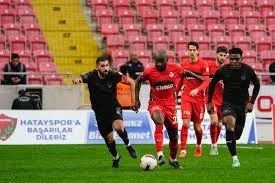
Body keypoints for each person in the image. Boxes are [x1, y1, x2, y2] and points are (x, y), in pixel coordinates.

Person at [72, 56, 138, 168]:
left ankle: (129, 145)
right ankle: (116, 157)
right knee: (109, 139)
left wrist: (133, 101)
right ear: (97, 67)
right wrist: (77, 80)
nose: (105, 68)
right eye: (102, 66)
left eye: (107, 65)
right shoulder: (91, 76)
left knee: (119, 127)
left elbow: (131, 82)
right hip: (100, 113)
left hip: (113, 107)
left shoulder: (114, 75)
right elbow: (82, 78)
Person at [207, 47, 260, 167]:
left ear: (241, 59)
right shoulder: (223, 70)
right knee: (229, 123)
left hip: (242, 105)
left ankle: (231, 141)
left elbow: (257, 85)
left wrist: (251, 102)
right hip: (228, 103)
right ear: (228, 58)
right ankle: (235, 159)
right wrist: (209, 102)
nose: (234, 62)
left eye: (237, 59)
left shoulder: (248, 70)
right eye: (231, 59)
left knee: (237, 135)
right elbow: (212, 84)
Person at [134, 50, 183, 169]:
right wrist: (136, 100)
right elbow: (138, 81)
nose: (159, 64)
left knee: (174, 137)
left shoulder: (175, 68)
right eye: (157, 62)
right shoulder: (149, 71)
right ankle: (160, 154)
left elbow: (186, 74)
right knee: (159, 120)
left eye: (161, 62)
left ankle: (173, 159)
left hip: (171, 106)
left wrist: (202, 78)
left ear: (167, 60)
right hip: (156, 103)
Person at [177, 41, 210, 158]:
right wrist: (176, 93)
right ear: (187, 51)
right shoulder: (184, 64)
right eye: (189, 50)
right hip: (186, 97)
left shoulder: (203, 64)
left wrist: (198, 89)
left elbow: (206, 81)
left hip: (199, 100)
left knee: (197, 127)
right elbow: (181, 80)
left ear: (197, 51)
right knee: (185, 122)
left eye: (193, 50)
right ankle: (183, 150)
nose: (191, 52)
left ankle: (198, 146)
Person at [207, 46, 228, 155]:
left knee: (219, 123)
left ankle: (215, 144)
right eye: (221, 55)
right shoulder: (209, 66)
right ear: (216, 55)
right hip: (211, 100)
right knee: (214, 121)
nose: (222, 57)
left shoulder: (227, 70)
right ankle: (213, 145)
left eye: (225, 55)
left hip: (223, 100)